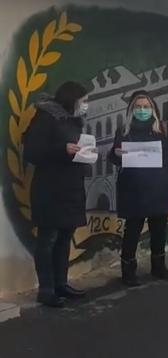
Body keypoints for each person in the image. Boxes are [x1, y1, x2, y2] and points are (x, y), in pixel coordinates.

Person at [22, 81, 91, 307]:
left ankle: (61, 283)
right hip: (50, 190)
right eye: (84, 100)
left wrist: (86, 154)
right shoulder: (46, 118)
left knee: (64, 238)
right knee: (48, 239)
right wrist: (63, 150)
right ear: (72, 99)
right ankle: (47, 289)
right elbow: (32, 152)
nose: (86, 105)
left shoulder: (73, 120)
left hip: (70, 188)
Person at [109, 91, 168, 287]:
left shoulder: (165, 130)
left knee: (159, 229)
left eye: (146, 106)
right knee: (132, 231)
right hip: (134, 189)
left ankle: (159, 266)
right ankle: (128, 271)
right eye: (138, 107)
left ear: (153, 109)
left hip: (159, 189)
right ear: (131, 110)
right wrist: (116, 153)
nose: (142, 110)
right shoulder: (124, 131)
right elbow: (115, 157)